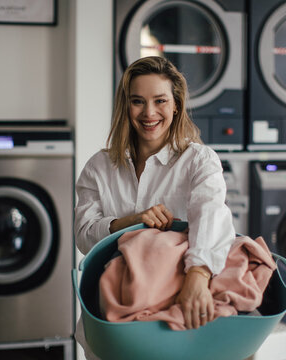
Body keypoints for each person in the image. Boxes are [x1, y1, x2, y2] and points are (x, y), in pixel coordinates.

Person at [74, 56, 235, 357]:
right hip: (111, 319)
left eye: (160, 100)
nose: (149, 113)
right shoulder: (99, 167)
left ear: (176, 105)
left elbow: (211, 216)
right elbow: (84, 237)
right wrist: (132, 222)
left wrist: (198, 277)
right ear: (126, 106)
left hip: (175, 312)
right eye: (138, 101)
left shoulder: (198, 161)